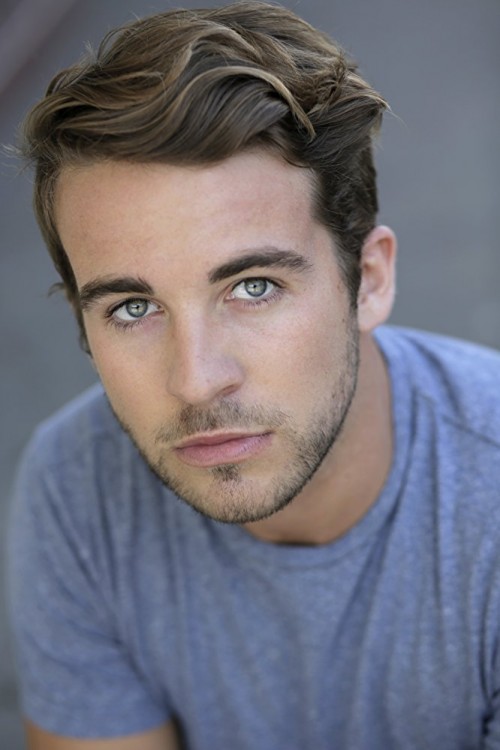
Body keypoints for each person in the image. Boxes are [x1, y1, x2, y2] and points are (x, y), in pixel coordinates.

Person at [7, 1, 500, 748]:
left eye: (254, 287)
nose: (196, 381)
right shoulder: (77, 486)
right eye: (134, 307)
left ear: (368, 280)